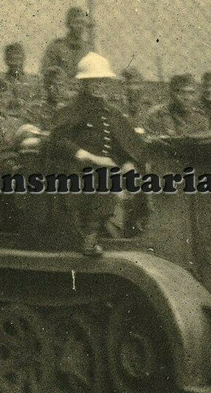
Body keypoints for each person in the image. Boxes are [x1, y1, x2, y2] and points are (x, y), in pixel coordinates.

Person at [47, 52, 147, 256]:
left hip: (109, 168)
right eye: (93, 81)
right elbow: (57, 141)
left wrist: (128, 162)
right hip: (77, 170)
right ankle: (90, 237)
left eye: (102, 81)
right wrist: (89, 156)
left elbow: (124, 145)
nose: (99, 86)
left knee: (141, 180)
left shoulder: (110, 112)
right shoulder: (71, 110)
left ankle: (133, 233)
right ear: (83, 83)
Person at [142, 73, 208, 137]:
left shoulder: (201, 119)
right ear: (172, 94)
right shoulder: (158, 116)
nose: (186, 97)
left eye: (191, 93)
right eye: (181, 92)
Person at [40, 7, 94, 81]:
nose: (80, 26)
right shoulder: (56, 47)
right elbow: (45, 72)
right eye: (76, 22)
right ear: (68, 24)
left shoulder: (88, 49)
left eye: (82, 23)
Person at [23, 66, 76, 131]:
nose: (58, 89)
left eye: (61, 85)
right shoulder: (36, 108)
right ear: (45, 86)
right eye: (53, 85)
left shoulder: (71, 109)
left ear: (66, 86)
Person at [1, 41, 36, 113]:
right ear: (6, 60)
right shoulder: (0, 83)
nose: (16, 63)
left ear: (23, 59)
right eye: (12, 59)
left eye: (19, 59)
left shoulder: (33, 82)